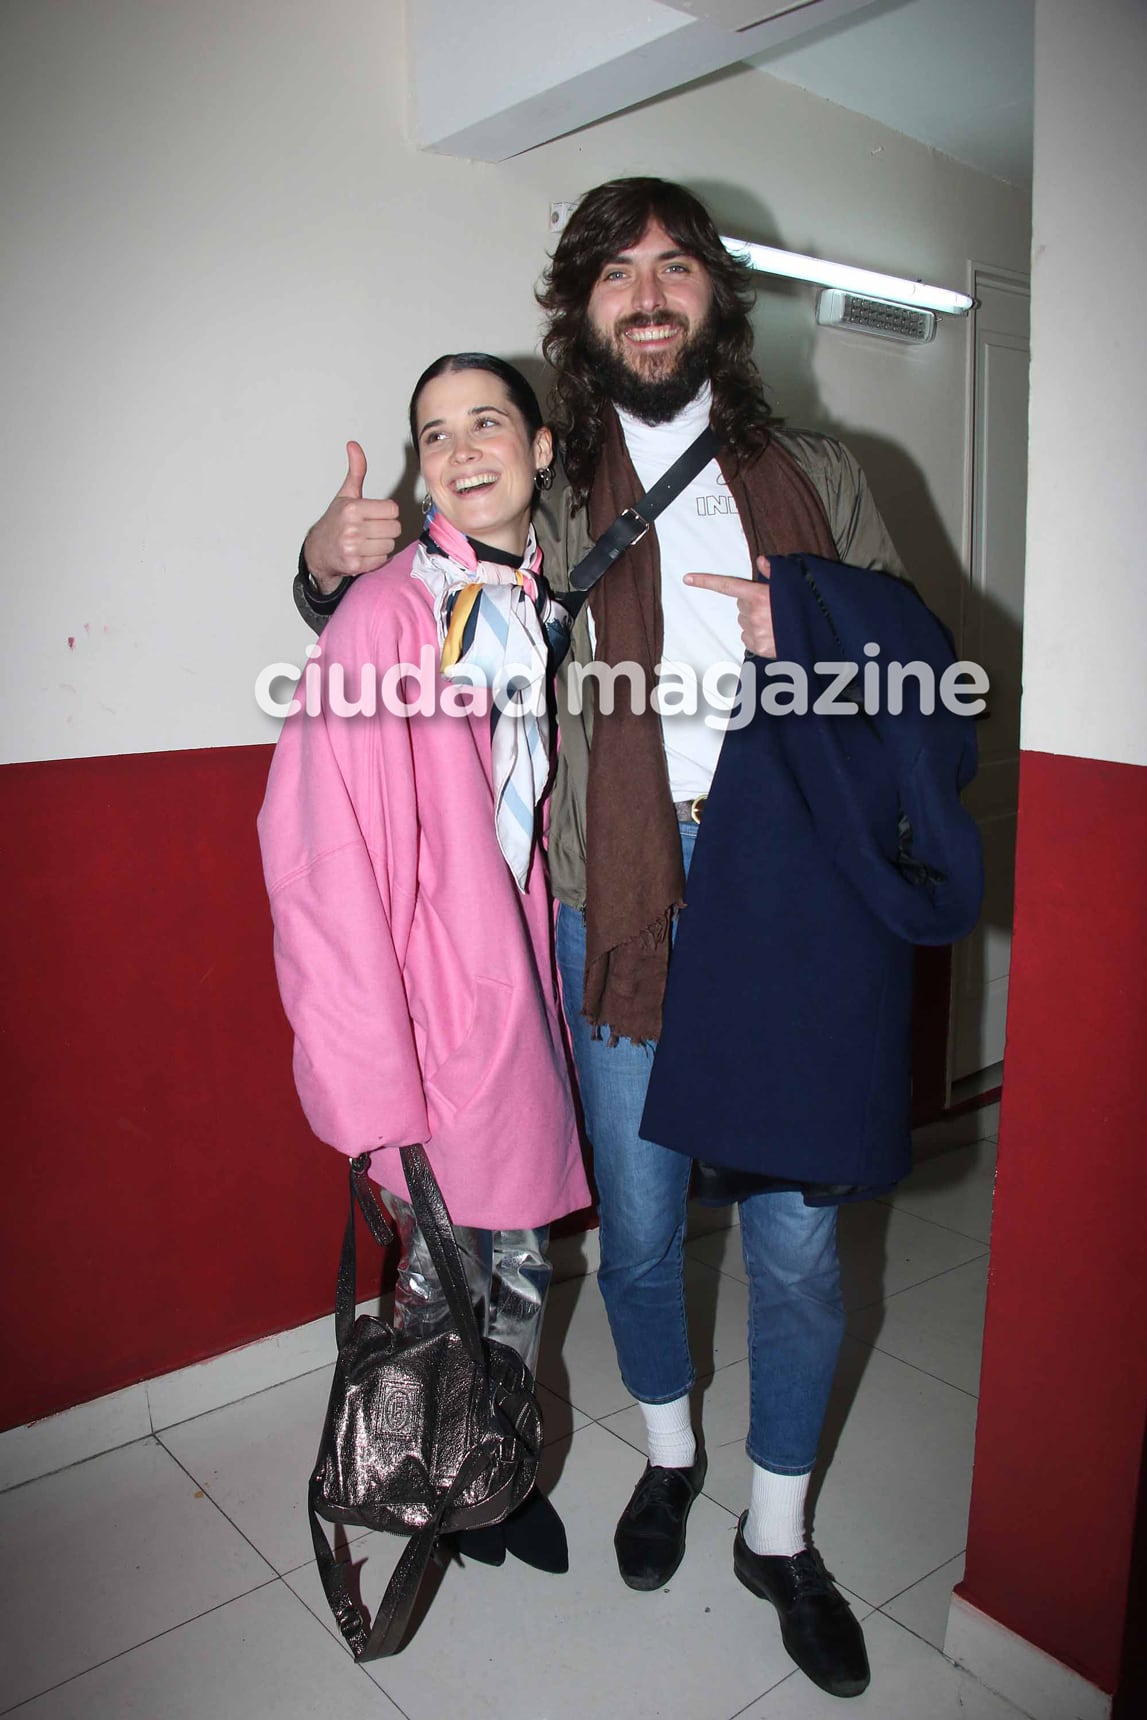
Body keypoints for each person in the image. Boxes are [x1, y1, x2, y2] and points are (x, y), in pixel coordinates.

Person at [293, 181, 909, 1700]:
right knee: (632, 1231)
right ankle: (668, 1453)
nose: (647, 293)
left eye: (674, 267)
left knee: (794, 1241)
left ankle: (776, 1531)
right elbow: (424, 581)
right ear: (581, 312)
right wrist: (318, 563)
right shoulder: (557, 485)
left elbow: (917, 680)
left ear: (714, 299)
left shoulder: (826, 469)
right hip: (610, 898)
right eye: (616, 273)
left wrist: (825, 633)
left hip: (788, 898)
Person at [259, 353, 592, 1574]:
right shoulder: (389, 611)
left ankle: (483, 1467)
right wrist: (367, 1074)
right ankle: (442, 1472)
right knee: (455, 1268)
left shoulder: (535, 595)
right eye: (433, 432)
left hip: (514, 985)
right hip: (435, 1003)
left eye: (486, 421)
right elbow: (313, 853)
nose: (458, 449)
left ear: (540, 448)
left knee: (509, 1256)